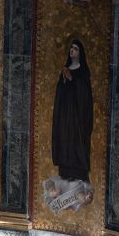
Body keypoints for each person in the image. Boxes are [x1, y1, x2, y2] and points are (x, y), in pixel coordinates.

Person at [51, 39, 93, 183]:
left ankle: (78, 175)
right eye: (71, 48)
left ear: (80, 52)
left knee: (76, 143)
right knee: (64, 140)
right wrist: (63, 82)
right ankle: (65, 173)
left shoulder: (83, 71)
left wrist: (72, 79)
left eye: (74, 48)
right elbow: (60, 91)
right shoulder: (66, 68)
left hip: (77, 117)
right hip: (65, 115)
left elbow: (85, 94)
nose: (72, 50)